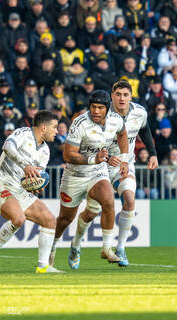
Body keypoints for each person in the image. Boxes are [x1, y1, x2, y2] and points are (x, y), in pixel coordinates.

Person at [53, 81, 158, 269]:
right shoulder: (91, 120)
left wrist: (148, 154)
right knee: (90, 213)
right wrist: (103, 158)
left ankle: (118, 248)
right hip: (97, 165)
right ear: (112, 96)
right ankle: (76, 244)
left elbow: (142, 130)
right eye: (118, 94)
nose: (122, 98)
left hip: (120, 165)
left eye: (126, 95)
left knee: (128, 199)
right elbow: (75, 152)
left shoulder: (138, 113)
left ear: (131, 97)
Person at [49, 89, 129, 269]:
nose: (96, 111)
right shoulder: (79, 124)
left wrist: (124, 159)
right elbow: (68, 155)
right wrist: (95, 158)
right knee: (65, 219)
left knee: (108, 201)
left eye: (100, 107)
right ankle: (51, 250)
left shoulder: (116, 120)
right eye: (93, 107)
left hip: (97, 172)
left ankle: (107, 248)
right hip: (75, 176)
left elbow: (122, 134)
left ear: (108, 109)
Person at [0, 110, 64, 274]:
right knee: (18, 218)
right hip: (1, 184)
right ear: (43, 127)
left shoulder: (45, 151)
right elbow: (7, 146)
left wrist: (37, 185)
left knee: (49, 220)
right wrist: (24, 164)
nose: (57, 131)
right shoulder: (23, 133)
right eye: (54, 127)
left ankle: (43, 267)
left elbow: (36, 176)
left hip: (19, 190)